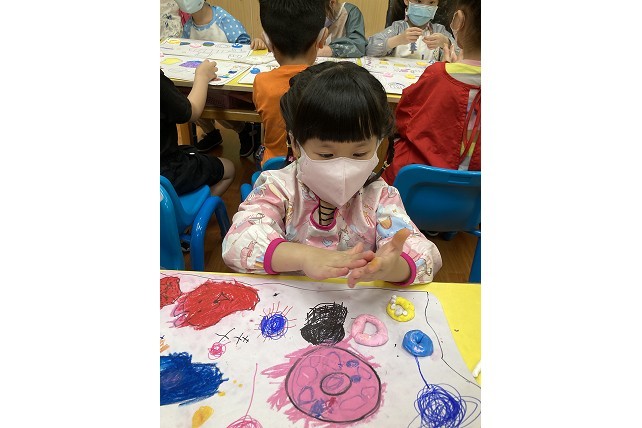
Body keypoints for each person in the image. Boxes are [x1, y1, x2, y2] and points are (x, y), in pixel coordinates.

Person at [222, 62, 442, 287]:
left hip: (356, 299)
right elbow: (237, 242)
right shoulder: (278, 188)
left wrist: (394, 268)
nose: (342, 169)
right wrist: (303, 256)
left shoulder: (381, 197)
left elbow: (424, 256)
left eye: (359, 153)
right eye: (326, 155)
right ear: (296, 145)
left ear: (378, 145)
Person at [381, 0, 480, 184]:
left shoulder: (438, 73)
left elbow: (404, 118)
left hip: (420, 182)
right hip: (474, 192)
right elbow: (371, 45)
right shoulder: (397, 27)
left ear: (458, 21)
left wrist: (447, 50)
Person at [174, 0, 264, 157]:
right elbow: (185, 50)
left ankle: (244, 129)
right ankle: (211, 133)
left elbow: (244, 48)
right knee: (189, 100)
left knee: (216, 104)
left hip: (224, 83)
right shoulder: (188, 26)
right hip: (201, 79)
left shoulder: (224, 20)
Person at [253, 0, 328, 167]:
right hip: (314, 170)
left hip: (273, 168)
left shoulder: (261, 82)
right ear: (322, 38)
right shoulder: (327, 83)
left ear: (268, 42)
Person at [160, 60, 235, 197]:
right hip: (167, 172)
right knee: (229, 168)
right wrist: (202, 75)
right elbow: (192, 112)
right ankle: (183, 209)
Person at [367, 0, 454, 61]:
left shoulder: (439, 30)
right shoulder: (397, 28)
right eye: (419, 1)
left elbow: (459, 54)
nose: (424, 7)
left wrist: (446, 43)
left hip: (428, 79)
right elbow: (369, 49)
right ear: (406, 1)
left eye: (431, 2)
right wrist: (398, 40)